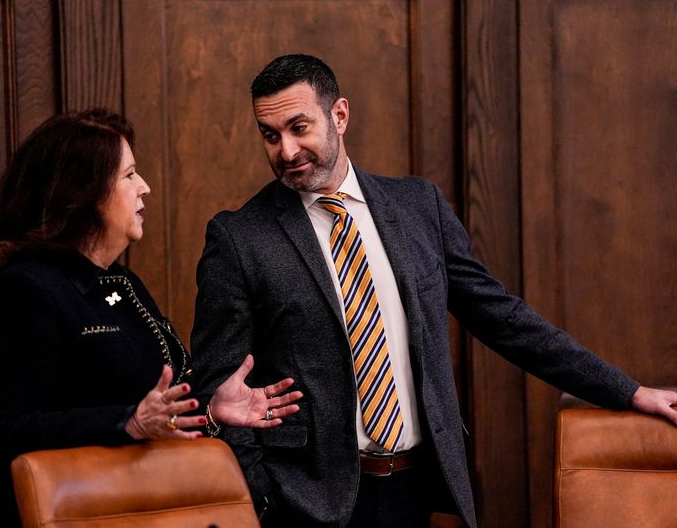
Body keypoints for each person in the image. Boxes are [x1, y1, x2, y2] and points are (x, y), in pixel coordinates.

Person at [190, 54, 677, 527]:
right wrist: (260, 499)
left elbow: (504, 319)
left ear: (340, 115)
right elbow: (221, 385)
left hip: (414, 489)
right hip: (307, 502)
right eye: (270, 136)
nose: (286, 151)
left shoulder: (417, 205)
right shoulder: (239, 237)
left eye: (299, 128)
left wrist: (628, 391)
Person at [0, 109, 302, 528]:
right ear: (83, 191)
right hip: (67, 516)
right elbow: (7, 432)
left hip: (141, 511)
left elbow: (156, 409)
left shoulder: (121, 282)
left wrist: (210, 410)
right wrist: (128, 422)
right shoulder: (23, 289)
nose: (145, 188)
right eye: (129, 175)